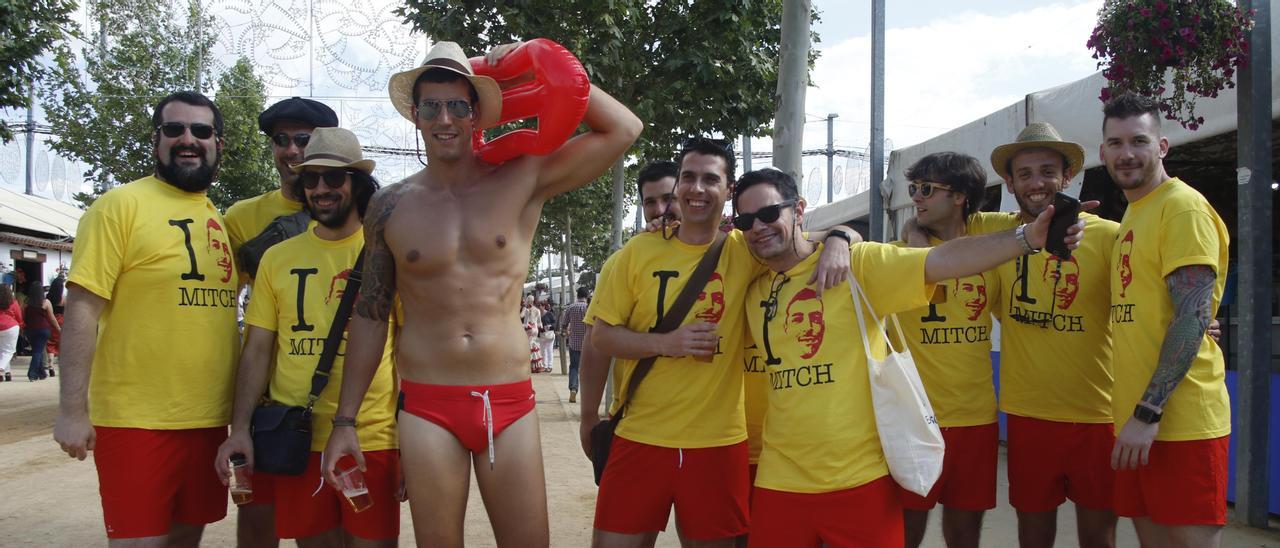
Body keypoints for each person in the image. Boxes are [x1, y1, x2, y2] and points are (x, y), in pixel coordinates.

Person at [321, 40, 642, 547]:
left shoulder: (523, 177)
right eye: (432, 105)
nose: (444, 118)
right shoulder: (388, 206)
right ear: (415, 113)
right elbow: (370, 313)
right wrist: (345, 420)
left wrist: (524, 57)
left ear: (477, 115)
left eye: (458, 105)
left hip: (508, 398)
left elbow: (623, 129)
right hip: (427, 403)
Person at [734, 167, 1083, 547]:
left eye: (769, 214)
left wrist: (1027, 237)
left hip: (861, 480)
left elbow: (944, 259)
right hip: (778, 482)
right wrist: (839, 232)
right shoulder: (753, 288)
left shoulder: (860, 266)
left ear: (798, 210)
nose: (758, 227)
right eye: (746, 220)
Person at [584, 138, 857, 547]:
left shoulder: (745, 251)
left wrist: (841, 238)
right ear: (676, 186)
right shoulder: (637, 253)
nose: (697, 188)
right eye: (688, 178)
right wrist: (667, 343)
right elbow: (602, 336)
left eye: (710, 179)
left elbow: (810, 237)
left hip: (718, 446)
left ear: (728, 191)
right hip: (640, 436)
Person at [53, 91, 240, 545]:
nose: (188, 139)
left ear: (218, 143)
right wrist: (71, 410)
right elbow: (81, 307)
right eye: (174, 129)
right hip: (137, 421)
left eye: (201, 130)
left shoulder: (218, 217)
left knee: (184, 539)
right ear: (156, 140)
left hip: (207, 420)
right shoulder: (119, 206)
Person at [215, 128, 400, 547]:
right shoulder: (278, 258)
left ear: (357, 184)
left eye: (334, 178)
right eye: (310, 179)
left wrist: (407, 438)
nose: (320, 188)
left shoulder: (386, 253)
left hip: (371, 440)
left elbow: (404, 349)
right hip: (297, 441)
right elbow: (259, 348)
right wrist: (239, 427)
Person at [972, 122, 1121, 548]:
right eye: (1025, 174)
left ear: (1067, 176)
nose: (1036, 183)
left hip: (1098, 412)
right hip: (1028, 413)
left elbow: (1143, 303)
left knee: (1099, 536)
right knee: (1033, 533)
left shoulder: (1109, 237)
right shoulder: (996, 235)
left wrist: (1202, 321)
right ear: (1009, 182)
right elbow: (935, 225)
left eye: (1046, 171)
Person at [1101, 93, 1231, 548]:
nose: (1127, 153)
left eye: (1139, 140)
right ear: (1103, 153)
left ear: (1162, 147)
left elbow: (1192, 314)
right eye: (1115, 143)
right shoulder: (1135, 214)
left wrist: (1147, 412)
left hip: (1179, 423)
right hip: (1136, 426)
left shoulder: (1181, 206)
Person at [225, 96, 338, 548]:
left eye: (304, 139)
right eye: (281, 140)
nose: (291, 150)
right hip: (267, 408)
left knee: (332, 530)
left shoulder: (358, 211)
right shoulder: (241, 217)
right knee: (259, 523)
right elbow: (224, 309)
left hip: (339, 404)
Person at [893, 153, 999, 548]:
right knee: (905, 531)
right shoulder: (897, 253)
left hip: (976, 419)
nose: (916, 198)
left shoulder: (992, 253)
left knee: (964, 533)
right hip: (915, 420)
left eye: (925, 189)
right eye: (913, 188)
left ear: (960, 196)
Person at [576, 160, 679, 432]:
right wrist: (588, 417)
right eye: (650, 202)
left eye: (669, 198)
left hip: (715, 431)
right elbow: (596, 342)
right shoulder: (624, 260)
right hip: (638, 422)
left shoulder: (725, 251)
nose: (659, 210)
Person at [23, 281, 59, 382]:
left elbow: (24, 317)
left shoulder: (26, 303)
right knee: (38, 351)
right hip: (43, 329)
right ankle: (32, 374)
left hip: (30, 330)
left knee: (36, 350)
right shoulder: (46, 302)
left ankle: (41, 373)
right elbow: (51, 318)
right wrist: (58, 329)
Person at [561, 287, 590, 404]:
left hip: (574, 343)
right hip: (588, 344)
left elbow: (564, 324)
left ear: (577, 295)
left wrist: (566, 332)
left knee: (574, 367)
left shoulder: (570, 307)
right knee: (588, 369)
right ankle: (588, 393)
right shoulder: (589, 308)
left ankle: (573, 388)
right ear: (587, 296)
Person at [0, 284, 20, 382]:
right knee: (8, 351)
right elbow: (19, 316)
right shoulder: (13, 302)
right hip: (10, 326)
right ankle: (1, 369)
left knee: (2, 350)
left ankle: (7, 373)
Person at [539, 302, 557, 371]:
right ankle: (544, 365)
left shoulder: (549, 314)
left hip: (549, 334)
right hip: (542, 334)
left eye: (540, 306)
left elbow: (555, 323)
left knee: (549, 350)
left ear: (543, 306)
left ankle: (550, 366)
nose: (539, 307)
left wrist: (550, 326)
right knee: (543, 351)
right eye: (538, 306)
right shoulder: (538, 314)